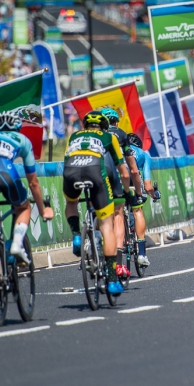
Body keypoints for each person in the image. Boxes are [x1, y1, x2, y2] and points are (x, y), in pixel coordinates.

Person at [0, 111, 54, 271]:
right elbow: (33, 183)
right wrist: (42, 210)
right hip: (4, 173)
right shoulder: (22, 139)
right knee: (23, 207)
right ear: (17, 127)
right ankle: (16, 243)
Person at [63, 111, 131, 295]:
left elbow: (66, 160)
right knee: (107, 225)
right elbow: (123, 172)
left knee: (71, 202)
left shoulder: (74, 136)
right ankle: (111, 280)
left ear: (85, 126)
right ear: (104, 126)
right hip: (95, 170)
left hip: (71, 171)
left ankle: (77, 235)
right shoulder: (109, 137)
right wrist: (126, 192)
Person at [101, 108, 143, 279]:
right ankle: (119, 262)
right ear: (116, 122)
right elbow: (132, 170)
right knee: (120, 214)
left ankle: (89, 242)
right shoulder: (120, 134)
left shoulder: (90, 136)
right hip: (115, 175)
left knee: (99, 213)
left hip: (86, 174)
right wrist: (134, 192)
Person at [126, 133, 160, 267]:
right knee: (137, 210)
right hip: (133, 183)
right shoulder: (143, 154)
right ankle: (141, 254)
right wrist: (154, 195)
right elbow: (147, 185)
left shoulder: (116, 148)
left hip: (115, 181)